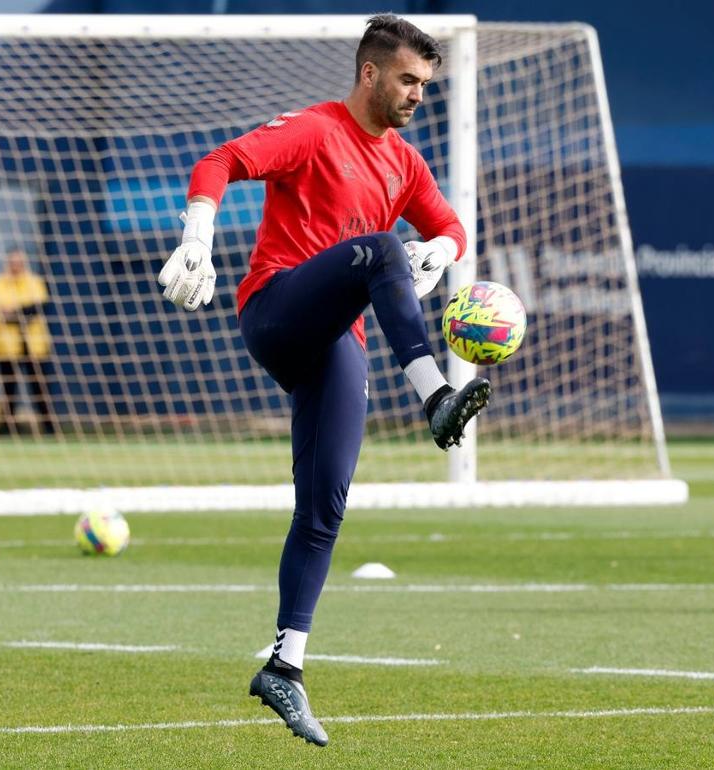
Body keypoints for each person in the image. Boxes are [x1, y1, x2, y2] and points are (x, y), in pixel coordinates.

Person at [157, 14, 491, 747]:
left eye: (425, 85)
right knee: (377, 250)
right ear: (370, 74)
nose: (417, 95)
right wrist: (198, 240)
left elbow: (452, 223)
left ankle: (285, 665)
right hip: (275, 311)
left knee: (325, 506)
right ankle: (436, 396)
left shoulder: (403, 161)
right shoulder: (314, 129)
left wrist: (439, 247)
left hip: (339, 342)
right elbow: (218, 163)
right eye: (407, 79)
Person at [0, 248, 54, 434]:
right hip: (7, 346)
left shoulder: (34, 282)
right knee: (9, 389)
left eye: (20, 261)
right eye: (13, 261)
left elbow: (36, 308)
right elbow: (0, 310)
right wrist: (22, 310)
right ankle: (7, 427)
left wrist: (15, 311)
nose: (16, 265)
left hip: (34, 345)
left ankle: (48, 426)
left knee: (39, 387)